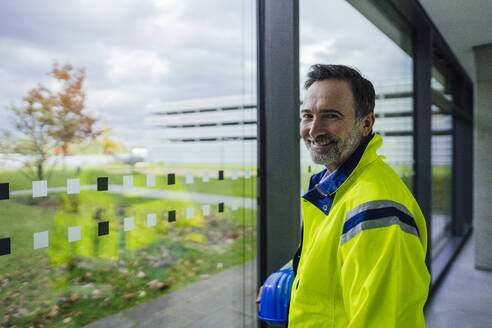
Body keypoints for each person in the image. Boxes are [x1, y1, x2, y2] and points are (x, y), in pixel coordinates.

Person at [257, 64, 430, 327]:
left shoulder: (374, 208)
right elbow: (330, 262)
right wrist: (288, 276)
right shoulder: (340, 184)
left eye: (331, 116)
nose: (314, 130)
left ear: (366, 123)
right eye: (307, 116)